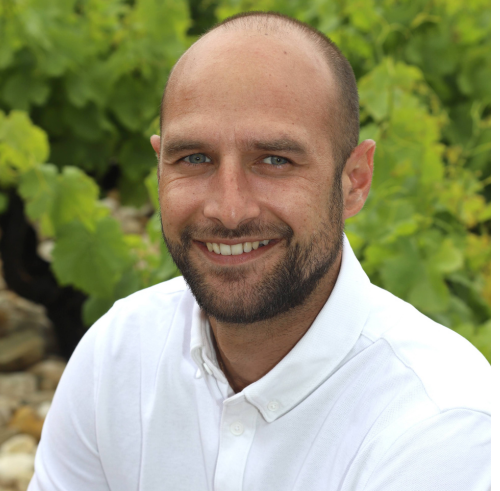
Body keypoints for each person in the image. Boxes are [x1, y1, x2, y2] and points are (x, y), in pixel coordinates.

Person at [29, 11, 490, 491]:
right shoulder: (116, 356)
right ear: (160, 166)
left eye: (274, 160)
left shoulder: (440, 423)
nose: (229, 210)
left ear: (355, 181)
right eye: (195, 158)